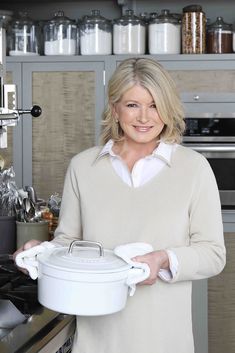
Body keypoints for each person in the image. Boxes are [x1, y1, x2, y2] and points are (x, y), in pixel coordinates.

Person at [14, 57, 226, 353]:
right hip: (96, 338)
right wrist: (43, 252)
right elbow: (70, 243)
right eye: (132, 105)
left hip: (164, 339)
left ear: (168, 107)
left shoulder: (194, 168)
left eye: (154, 105)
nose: (144, 117)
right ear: (114, 109)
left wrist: (163, 259)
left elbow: (213, 254)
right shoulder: (83, 167)